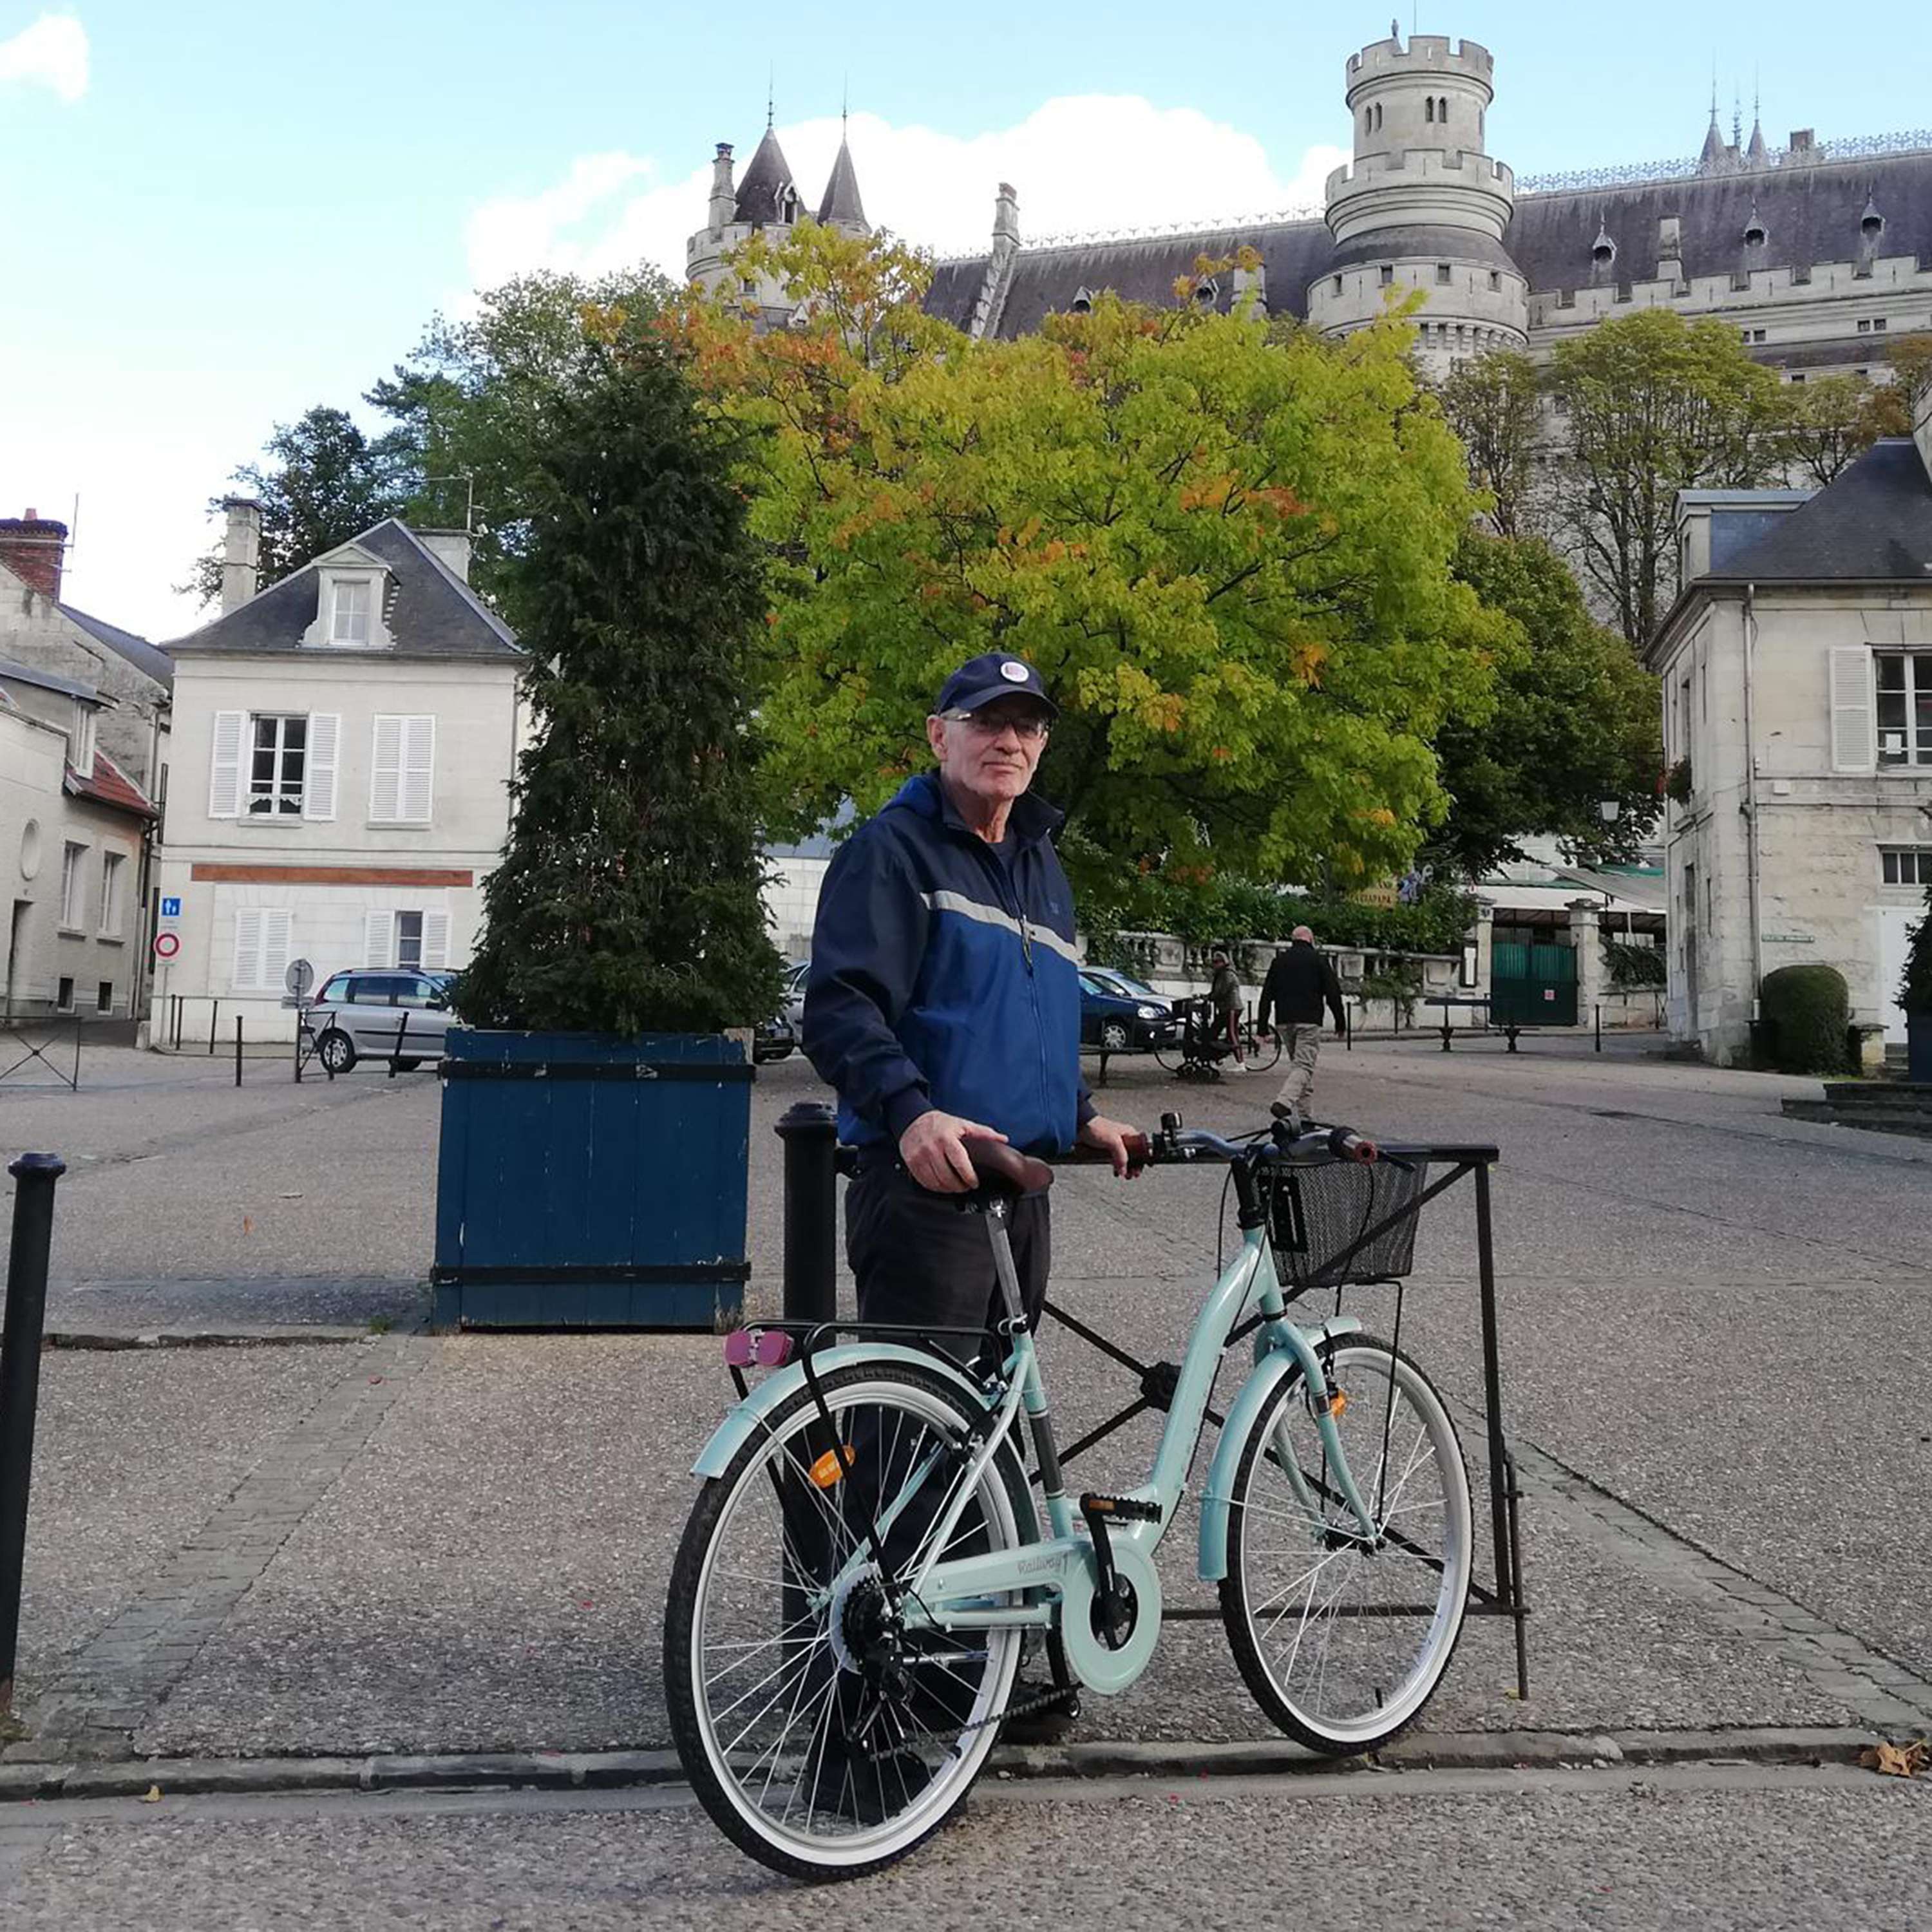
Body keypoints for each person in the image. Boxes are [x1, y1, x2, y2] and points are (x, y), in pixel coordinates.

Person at [802, 651, 1141, 1767]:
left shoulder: (1042, 864)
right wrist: (906, 1114)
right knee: (909, 1451)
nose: (1009, 740)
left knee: (984, 1448)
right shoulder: (892, 852)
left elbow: (1032, 1012)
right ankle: (872, 1707)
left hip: (1020, 1191)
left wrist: (1079, 1110)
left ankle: (967, 1679)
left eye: (1027, 725)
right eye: (986, 722)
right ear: (937, 734)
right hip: (931, 1192)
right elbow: (842, 1006)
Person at [1256, 924, 1347, 1126]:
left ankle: (1306, 1118)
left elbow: (1266, 996)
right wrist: (1341, 1022)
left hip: (1284, 1020)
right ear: (1311, 939)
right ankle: (1284, 1102)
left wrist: (1262, 1027)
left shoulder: (1279, 961)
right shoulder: (1319, 961)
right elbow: (1333, 994)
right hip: (1309, 1020)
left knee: (1300, 1068)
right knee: (1304, 1066)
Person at [1208, 948, 1245, 1070]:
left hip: (1232, 1007)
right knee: (1214, 1030)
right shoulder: (1222, 974)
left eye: (1217, 962)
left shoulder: (1228, 974)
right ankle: (1216, 1057)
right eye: (1214, 962)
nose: (1214, 965)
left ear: (1223, 962)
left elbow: (1222, 991)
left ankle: (1240, 1063)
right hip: (1226, 1008)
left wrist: (1210, 997)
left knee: (1232, 1034)